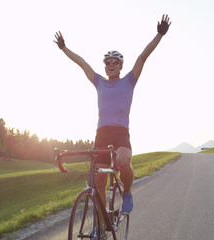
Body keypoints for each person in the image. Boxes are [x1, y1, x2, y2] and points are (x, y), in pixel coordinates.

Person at [54, 14, 171, 215]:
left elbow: (143, 56)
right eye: (108, 62)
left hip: (121, 133)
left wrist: (159, 35)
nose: (111, 65)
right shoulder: (99, 81)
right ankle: (99, 224)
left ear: (120, 66)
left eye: (115, 62)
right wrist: (64, 48)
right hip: (102, 133)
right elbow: (82, 63)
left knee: (124, 161)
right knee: (98, 181)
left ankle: (127, 193)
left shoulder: (129, 81)